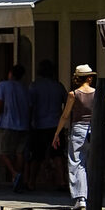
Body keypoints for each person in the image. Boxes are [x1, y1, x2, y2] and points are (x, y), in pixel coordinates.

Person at [54, 64, 105, 210]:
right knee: (91, 164)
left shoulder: (73, 94)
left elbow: (65, 116)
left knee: (77, 163)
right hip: (94, 130)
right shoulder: (97, 92)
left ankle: (81, 198)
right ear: (90, 78)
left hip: (78, 130)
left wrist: (57, 134)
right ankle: (91, 195)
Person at [27, 58, 68, 192]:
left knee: (36, 155)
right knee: (58, 154)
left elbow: (30, 105)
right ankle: (61, 181)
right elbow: (67, 103)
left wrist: (29, 122)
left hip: (39, 124)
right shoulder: (58, 86)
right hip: (56, 125)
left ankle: (31, 182)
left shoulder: (35, 86)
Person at [0, 63, 29, 189]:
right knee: (19, 153)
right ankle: (17, 177)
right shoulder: (25, 88)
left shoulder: (3, 85)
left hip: (7, 123)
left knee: (3, 152)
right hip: (23, 124)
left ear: (10, 73)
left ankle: (15, 173)